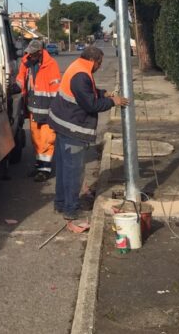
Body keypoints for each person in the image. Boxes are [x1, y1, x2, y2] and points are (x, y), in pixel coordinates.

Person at [48, 45, 128, 226]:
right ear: (93, 60)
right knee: (73, 172)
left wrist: (101, 93)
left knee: (63, 170)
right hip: (72, 129)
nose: (99, 67)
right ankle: (71, 209)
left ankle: (60, 204)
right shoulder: (82, 75)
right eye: (99, 63)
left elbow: (84, 93)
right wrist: (112, 101)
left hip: (62, 124)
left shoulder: (78, 66)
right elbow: (90, 105)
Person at [16, 38, 62, 182]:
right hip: (33, 108)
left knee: (47, 140)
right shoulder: (27, 63)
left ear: (40, 52)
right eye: (29, 54)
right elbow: (21, 79)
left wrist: (55, 110)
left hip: (47, 109)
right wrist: (15, 88)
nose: (31, 56)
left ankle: (45, 169)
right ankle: (39, 165)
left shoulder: (51, 65)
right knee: (36, 139)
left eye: (33, 54)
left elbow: (55, 89)